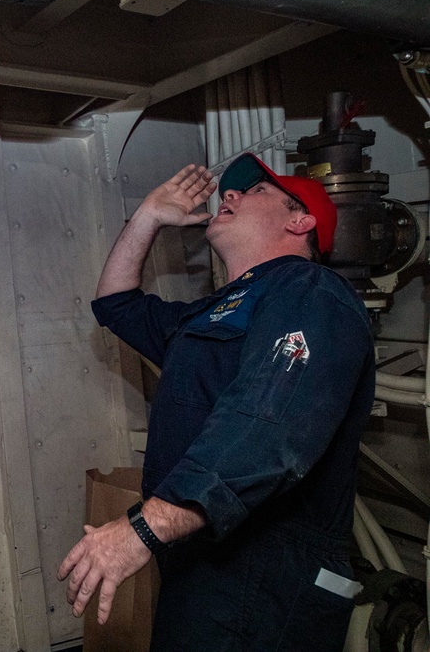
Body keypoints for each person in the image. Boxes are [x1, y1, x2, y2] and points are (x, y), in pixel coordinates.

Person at [58, 153, 375, 651]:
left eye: (255, 191)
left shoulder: (311, 290)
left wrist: (145, 526)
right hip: (202, 556)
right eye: (232, 190)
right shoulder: (216, 310)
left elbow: (269, 426)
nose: (229, 195)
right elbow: (115, 304)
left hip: (268, 566)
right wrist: (147, 217)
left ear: (301, 221)